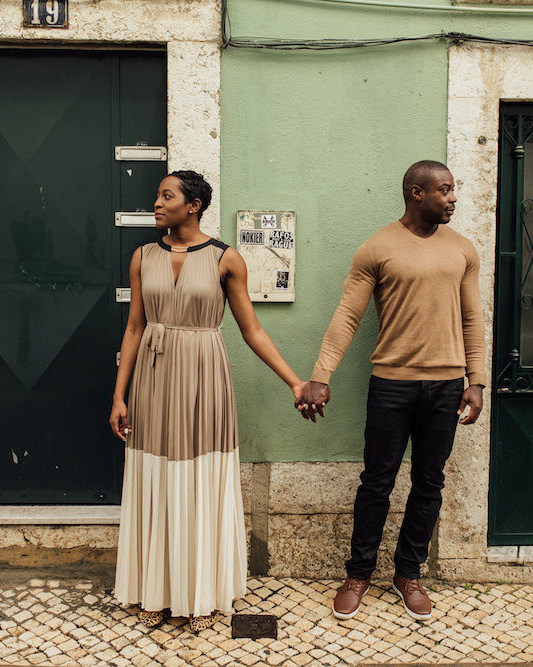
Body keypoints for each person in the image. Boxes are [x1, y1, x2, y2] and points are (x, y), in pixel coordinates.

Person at [109, 170, 305, 631]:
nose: (156, 203)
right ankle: (155, 589)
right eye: (158, 196)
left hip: (204, 378)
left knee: (199, 478)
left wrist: (294, 382)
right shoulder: (142, 257)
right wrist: (119, 395)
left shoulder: (225, 259)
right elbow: (135, 327)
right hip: (153, 381)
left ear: (193, 205)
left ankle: (201, 595)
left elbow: (251, 330)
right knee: (155, 476)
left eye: (166, 196)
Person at [296, 160, 486, 622]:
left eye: (453, 189)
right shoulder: (377, 248)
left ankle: (408, 574)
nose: (453, 198)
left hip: (445, 385)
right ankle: (358, 574)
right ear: (417, 193)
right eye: (444, 190)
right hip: (391, 386)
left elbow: (472, 319)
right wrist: (321, 375)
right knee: (376, 483)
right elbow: (347, 316)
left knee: (430, 481)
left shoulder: (463, 250)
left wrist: (476, 381)